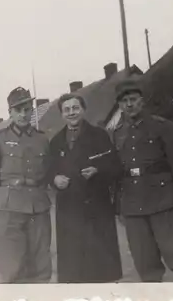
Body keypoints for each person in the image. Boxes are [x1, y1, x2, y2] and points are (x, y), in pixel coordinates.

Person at [111, 79, 173, 283]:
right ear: (120, 105)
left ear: (142, 101)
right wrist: (118, 206)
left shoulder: (161, 126)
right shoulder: (117, 133)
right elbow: (116, 171)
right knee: (146, 266)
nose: (129, 105)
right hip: (133, 205)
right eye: (124, 102)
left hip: (164, 201)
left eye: (133, 99)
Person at [48, 93, 123, 283]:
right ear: (62, 114)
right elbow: (48, 170)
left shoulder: (99, 135)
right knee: (73, 264)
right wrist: (54, 179)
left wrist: (98, 170)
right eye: (67, 109)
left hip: (96, 207)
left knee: (100, 264)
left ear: (83, 110)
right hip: (69, 209)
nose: (71, 113)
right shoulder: (55, 141)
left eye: (75, 108)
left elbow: (115, 166)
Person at [0, 87, 52, 283]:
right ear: (10, 112)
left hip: (38, 208)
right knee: (13, 267)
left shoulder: (41, 139)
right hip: (9, 210)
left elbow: (47, 171)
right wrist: (6, 197)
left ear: (32, 110)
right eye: (18, 109)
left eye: (27, 109)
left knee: (41, 266)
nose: (23, 114)